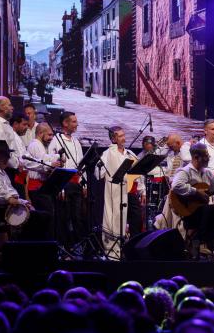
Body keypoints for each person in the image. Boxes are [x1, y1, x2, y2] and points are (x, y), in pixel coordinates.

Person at [0, 140, 49, 250]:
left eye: (8, 155)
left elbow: (11, 192)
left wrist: (24, 202)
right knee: (38, 218)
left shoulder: (2, 172)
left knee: (43, 214)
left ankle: (33, 252)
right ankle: (26, 252)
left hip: (6, 207)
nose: (7, 158)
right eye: (5, 155)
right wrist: (16, 201)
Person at [96, 127, 144, 260]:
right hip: (115, 191)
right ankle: (113, 251)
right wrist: (102, 171)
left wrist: (142, 189)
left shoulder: (129, 154)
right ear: (113, 139)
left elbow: (138, 174)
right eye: (120, 136)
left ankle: (130, 249)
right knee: (114, 218)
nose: (123, 138)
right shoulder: (108, 153)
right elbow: (98, 172)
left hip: (128, 191)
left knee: (134, 219)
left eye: (124, 135)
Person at [47, 111, 87, 247]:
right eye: (74, 122)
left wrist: (84, 185)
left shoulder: (76, 142)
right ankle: (64, 247)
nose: (77, 124)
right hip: (64, 184)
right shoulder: (56, 141)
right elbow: (52, 164)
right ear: (65, 123)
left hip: (76, 184)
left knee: (77, 217)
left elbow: (82, 164)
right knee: (64, 216)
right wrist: (59, 187)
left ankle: (77, 246)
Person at [25, 123, 64, 239]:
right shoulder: (35, 145)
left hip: (42, 187)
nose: (52, 138)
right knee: (47, 217)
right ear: (41, 133)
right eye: (49, 135)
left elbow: (46, 160)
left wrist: (56, 159)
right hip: (37, 188)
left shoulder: (41, 145)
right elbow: (42, 164)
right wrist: (53, 163)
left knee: (49, 217)